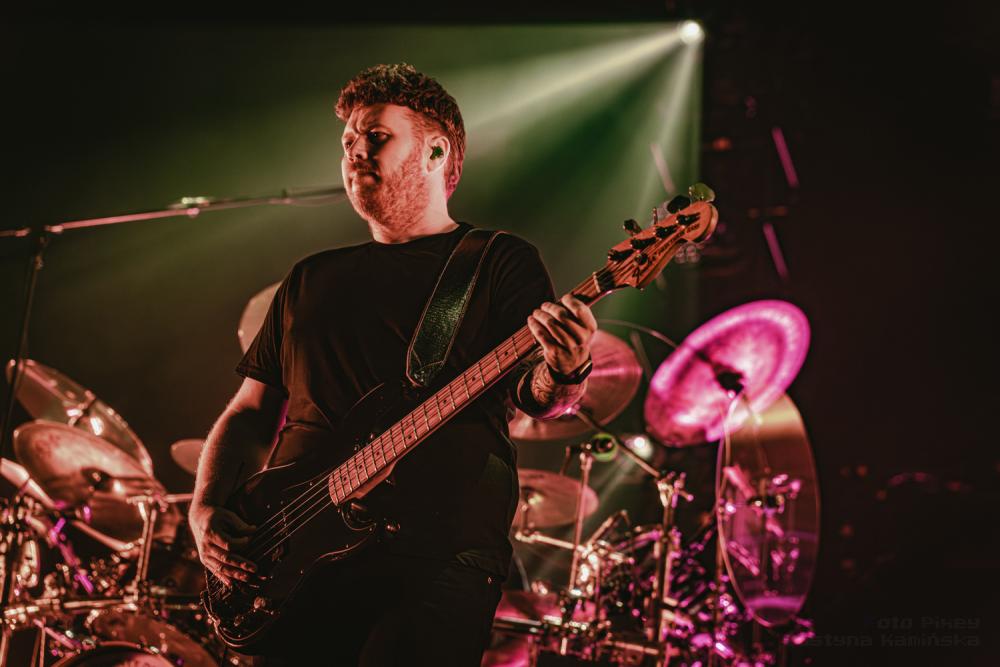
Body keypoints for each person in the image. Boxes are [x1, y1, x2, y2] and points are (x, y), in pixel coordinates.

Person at [189, 63, 596, 666]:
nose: (354, 151)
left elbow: (538, 398)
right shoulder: (309, 278)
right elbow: (250, 413)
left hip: (433, 557)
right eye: (348, 140)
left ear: (435, 152)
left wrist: (566, 368)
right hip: (289, 555)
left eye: (376, 136)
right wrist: (206, 508)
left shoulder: (497, 261)